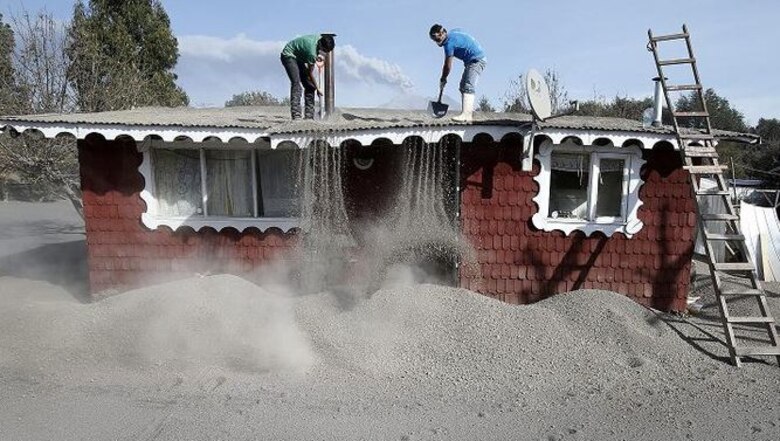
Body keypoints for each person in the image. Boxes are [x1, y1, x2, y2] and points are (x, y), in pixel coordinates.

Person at [429, 24, 486, 122]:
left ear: (442, 34)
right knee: (463, 86)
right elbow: (460, 31)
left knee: (468, 86)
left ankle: (467, 115)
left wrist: (443, 78)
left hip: (477, 60)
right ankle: (467, 112)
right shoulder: (453, 32)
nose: (437, 42)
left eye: (437, 39)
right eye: (434, 40)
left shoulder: (448, 44)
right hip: (471, 61)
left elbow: (447, 66)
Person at [280, 34, 335, 120]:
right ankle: (296, 115)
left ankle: (309, 116)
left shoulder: (320, 38)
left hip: (299, 58)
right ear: (321, 46)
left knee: (310, 86)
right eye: (324, 50)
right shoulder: (312, 53)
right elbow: (310, 74)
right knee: (296, 83)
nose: (324, 53)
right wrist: (318, 88)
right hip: (289, 55)